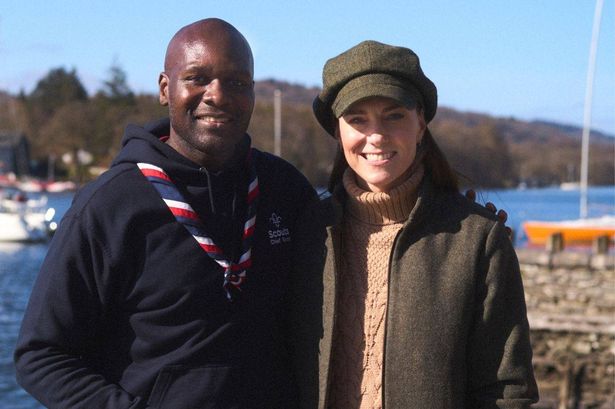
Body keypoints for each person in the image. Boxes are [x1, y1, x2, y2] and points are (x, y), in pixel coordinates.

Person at [14, 18, 324, 409]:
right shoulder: (109, 206)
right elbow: (41, 355)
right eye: (197, 78)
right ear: (165, 88)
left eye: (237, 82)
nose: (218, 95)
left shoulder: (285, 189)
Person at [312, 40, 538, 409]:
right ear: (338, 132)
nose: (376, 135)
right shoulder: (307, 233)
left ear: (421, 124)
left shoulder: (478, 241)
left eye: (394, 115)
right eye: (357, 119)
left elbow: (506, 392)